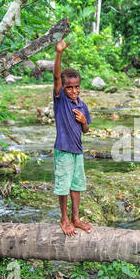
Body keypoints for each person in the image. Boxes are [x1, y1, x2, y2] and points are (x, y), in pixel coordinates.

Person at [53, 39, 92, 236]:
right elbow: (56, 78)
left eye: (76, 87)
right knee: (63, 186)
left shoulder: (82, 105)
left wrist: (84, 120)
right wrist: (59, 52)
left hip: (77, 152)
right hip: (63, 150)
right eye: (69, 87)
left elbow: (85, 130)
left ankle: (76, 218)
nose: (73, 90)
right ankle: (64, 218)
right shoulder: (61, 101)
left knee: (76, 185)